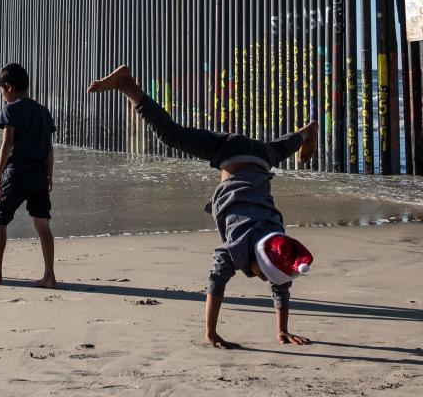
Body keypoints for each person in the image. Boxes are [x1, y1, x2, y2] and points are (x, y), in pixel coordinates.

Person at [88, 65, 318, 348]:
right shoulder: (238, 243)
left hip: (261, 158)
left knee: (279, 149)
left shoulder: (278, 239)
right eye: (261, 274)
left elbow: (281, 285)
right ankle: (128, 86)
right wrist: (211, 333)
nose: (262, 279)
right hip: (232, 151)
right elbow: (216, 282)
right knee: (171, 135)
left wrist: (282, 330)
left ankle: (306, 134)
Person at [0, 63, 58, 289]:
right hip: (40, 175)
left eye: (1, 91)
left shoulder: (11, 109)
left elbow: (8, 142)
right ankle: (49, 275)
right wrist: (50, 175)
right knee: (43, 224)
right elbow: (49, 148)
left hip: (17, 173)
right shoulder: (43, 111)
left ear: (9, 87)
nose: (2, 96)